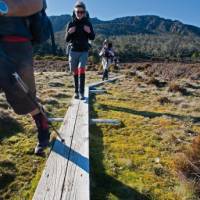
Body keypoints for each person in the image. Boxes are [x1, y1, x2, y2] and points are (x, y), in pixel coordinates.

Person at [0, 0, 50, 156]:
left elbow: (38, 3)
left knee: (23, 98)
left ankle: (42, 124)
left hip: (16, 45)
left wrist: (3, 8)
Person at [65, 1, 95, 100]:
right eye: (78, 12)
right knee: (75, 71)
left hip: (84, 51)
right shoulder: (71, 23)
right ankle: (76, 92)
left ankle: (81, 93)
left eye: (82, 12)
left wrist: (89, 32)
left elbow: (93, 37)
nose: (79, 14)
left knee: (81, 69)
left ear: (85, 12)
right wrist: (69, 33)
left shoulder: (88, 23)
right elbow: (67, 39)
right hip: (73, 51)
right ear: (74, 12)